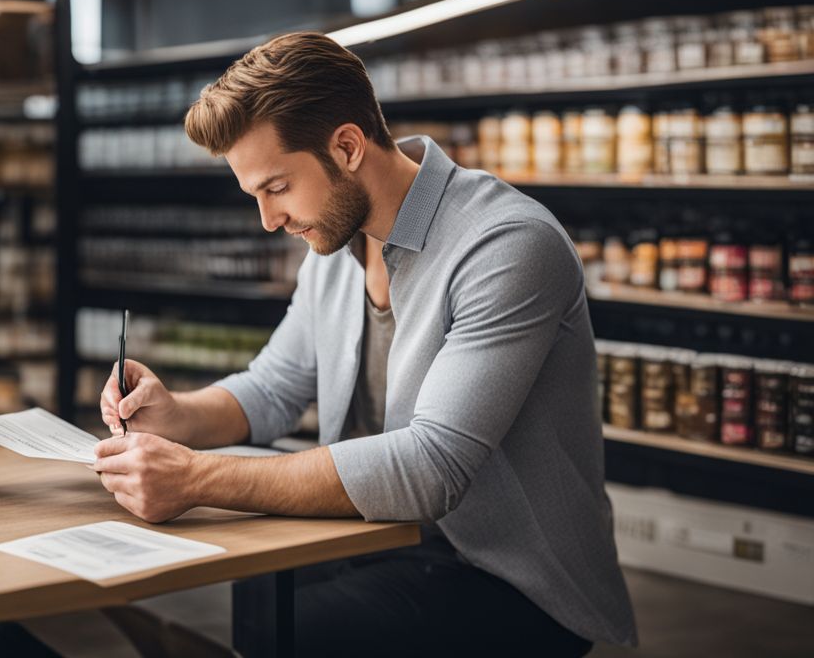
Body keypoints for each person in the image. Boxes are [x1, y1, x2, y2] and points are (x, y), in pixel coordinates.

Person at [91, 32, 636, 655]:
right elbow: (275, 386)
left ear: (347, 146)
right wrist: (177, 414)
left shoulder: (507, 246)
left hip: (506, 577)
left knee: (295, 626)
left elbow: (432, 469)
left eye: (276, 188)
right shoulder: (333, 238)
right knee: (260, 595)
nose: (269, 220)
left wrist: (196, 478)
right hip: (376, 537)